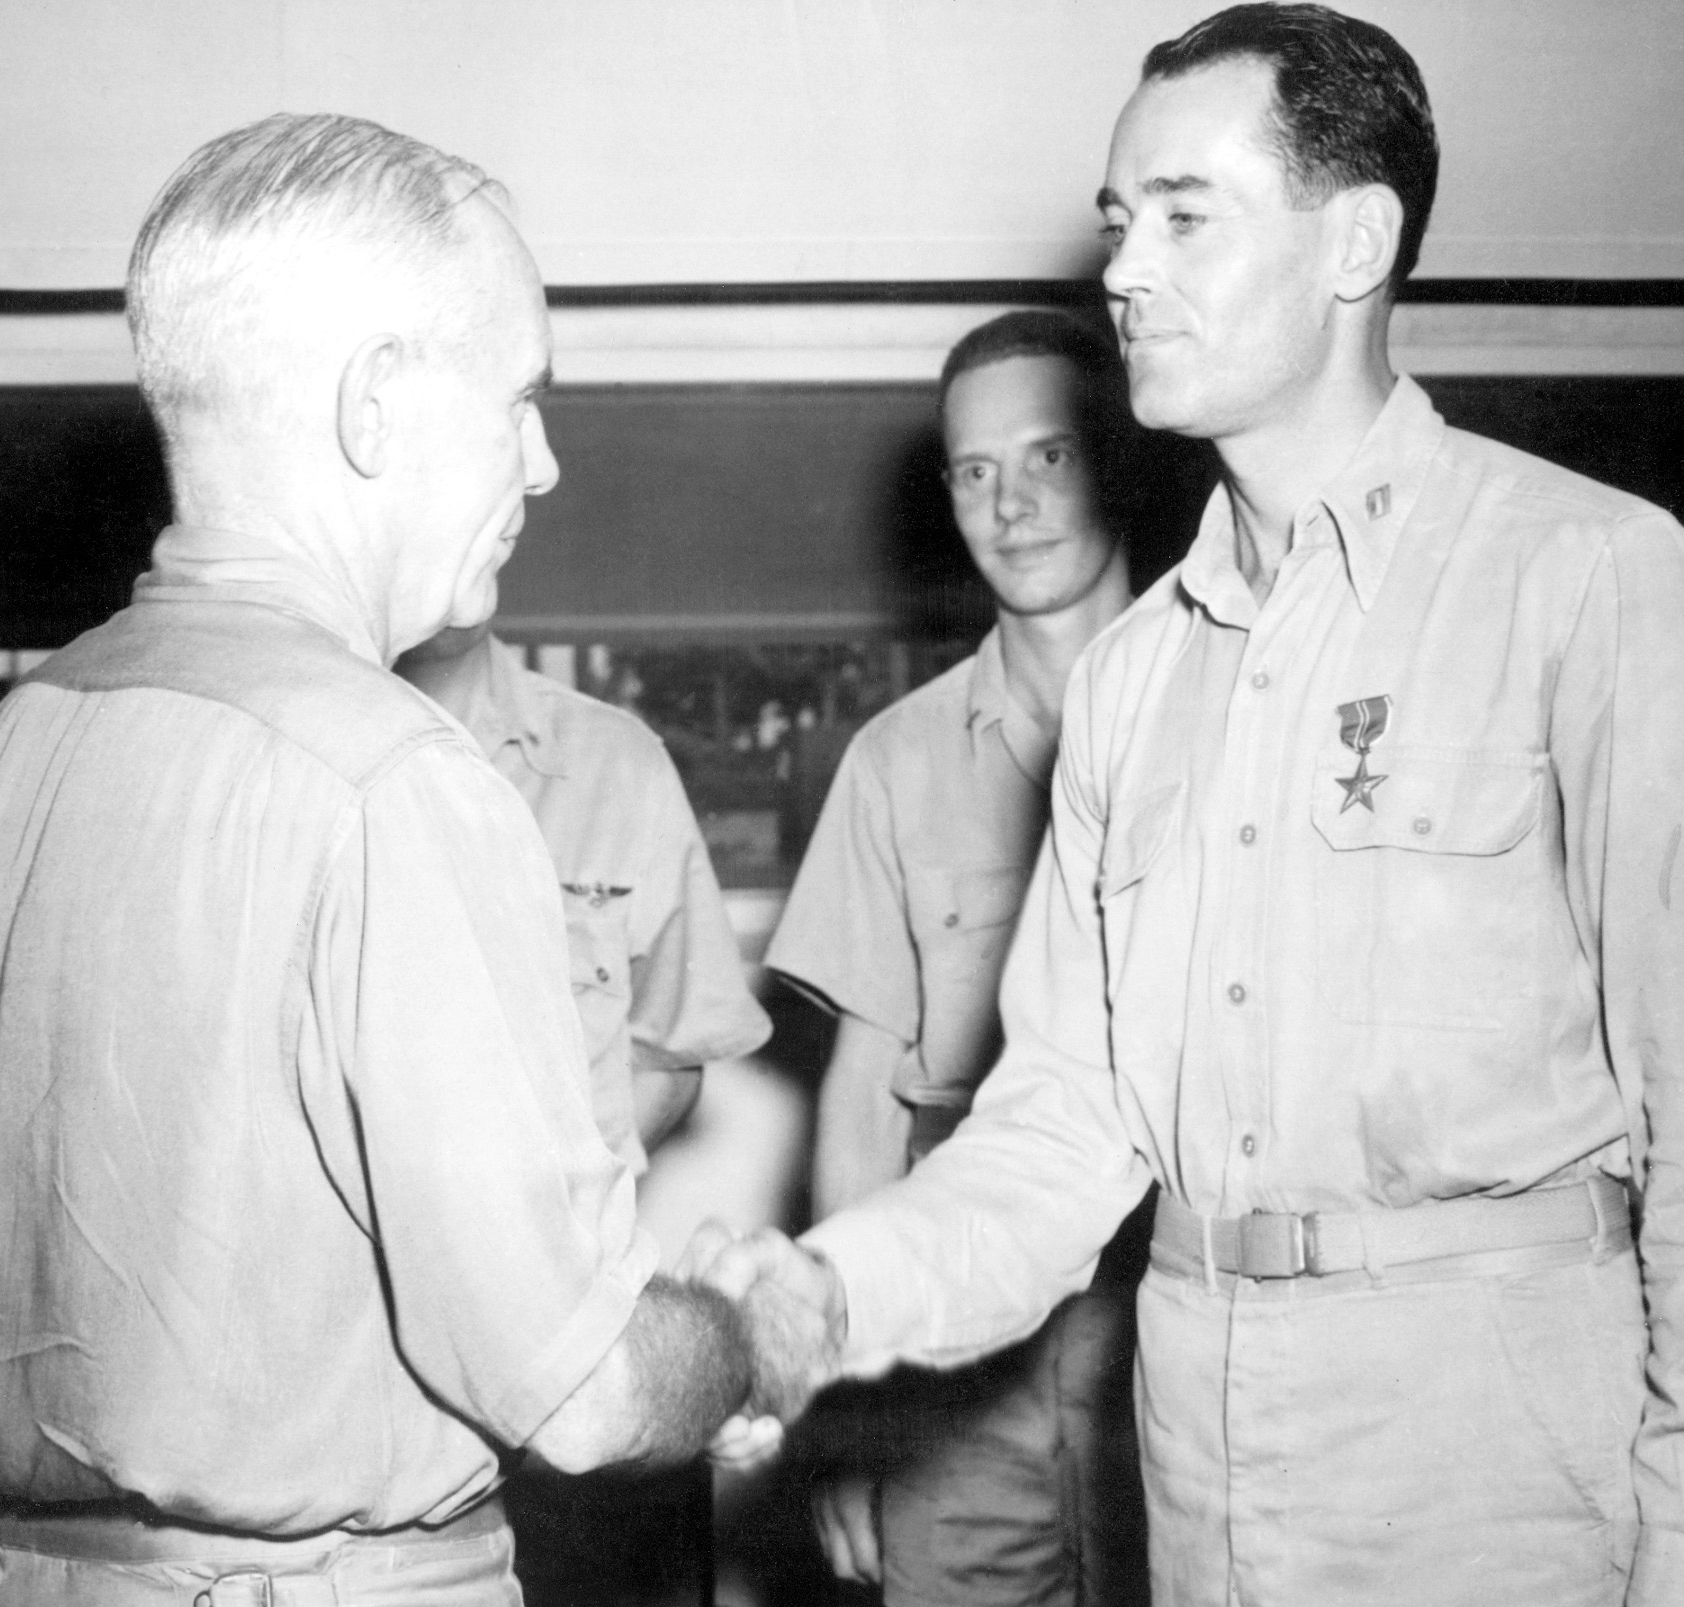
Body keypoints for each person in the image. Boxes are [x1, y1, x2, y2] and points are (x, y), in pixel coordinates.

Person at [693, 7, 1684, 1605]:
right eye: (1115, 224)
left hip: (1501, 1475)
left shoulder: (1587, 580)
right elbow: (1063, 1126)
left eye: (1184, 215)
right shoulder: (1135, 679)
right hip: (1202, 1464)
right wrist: (821, 1294)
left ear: (1354, 241)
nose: (1125, 270)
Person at [0, 113, 753, 1607]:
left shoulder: (7, 752)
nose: (541, 462)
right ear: (378, 402)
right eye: (522, 393)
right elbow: (587, 1394)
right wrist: (745, 1330)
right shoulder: (392, 782)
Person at [766, 311, 1148, 1607]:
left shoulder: (1224, 703)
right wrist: (843, 1420)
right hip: (959, 1340)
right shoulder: (896, 759)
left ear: (1110, 459)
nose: (1011, 502)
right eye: (975, 470)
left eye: (1045, 456)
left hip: (1176, 1304)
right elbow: (861, 1107)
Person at [398, 622, 772, 1604]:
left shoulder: (614, 761)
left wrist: (544, 1213)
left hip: (582, 1356)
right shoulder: (284, 757)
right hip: (372, 1402)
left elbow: (667, 1048)